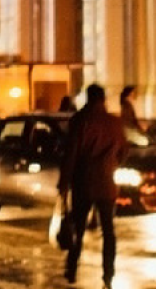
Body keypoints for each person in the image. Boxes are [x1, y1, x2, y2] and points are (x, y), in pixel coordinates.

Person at [58, 84, 129, 288]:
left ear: (88, 98)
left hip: (84, 182)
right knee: (108, 231)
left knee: (78, 228)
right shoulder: (114, 122)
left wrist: (64, 182)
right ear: (103, 99)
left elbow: (70, 154)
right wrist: (112, 163)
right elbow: (124, 151)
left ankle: (72, 269)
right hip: (107, 182)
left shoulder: (80, 120)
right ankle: (108, 276)